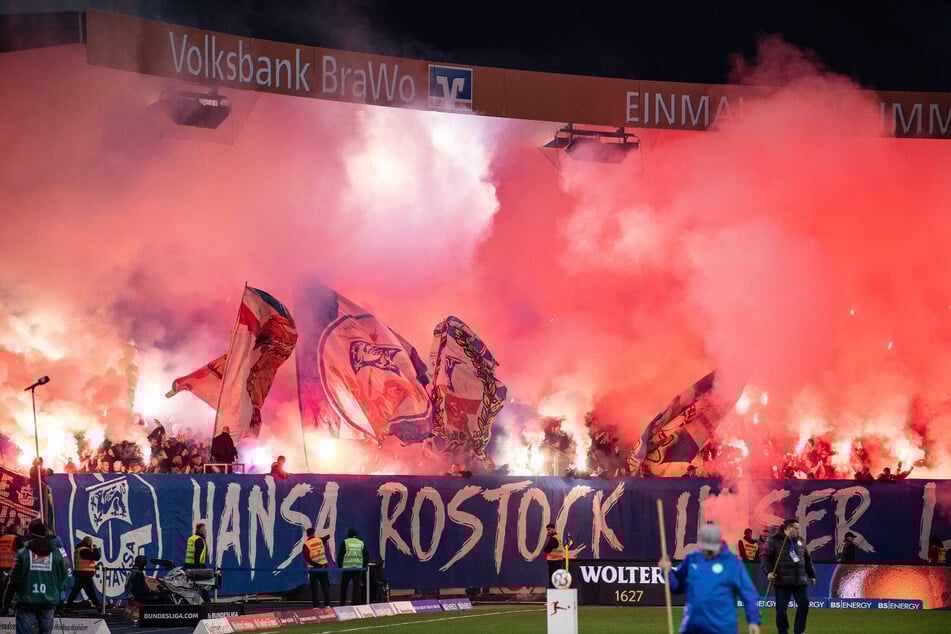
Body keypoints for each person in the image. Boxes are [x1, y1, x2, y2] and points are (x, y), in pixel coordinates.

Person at [658, 523, 761, 634]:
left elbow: (749, 595)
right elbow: (677, 587)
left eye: (712, 549)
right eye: (705, 548)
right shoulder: (692, 559)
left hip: (723, 629)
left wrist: (753, 621)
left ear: (720, 543)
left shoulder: (733, 563)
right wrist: (666, 572)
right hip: (691, 628)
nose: (708, 552)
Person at [1, 519, 68, 634]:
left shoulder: (23, 553)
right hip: (48, 601)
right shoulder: (56, 553)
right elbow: (64, 576)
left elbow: (13, 581)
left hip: (26, 602)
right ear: (45, 533)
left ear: (30, 533)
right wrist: (56, 595)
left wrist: (6, 604)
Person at [761, 519, 815, 634]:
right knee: (781, 609)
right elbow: (765, 557)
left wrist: (812, 574)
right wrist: (769, 572)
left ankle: (799, 631)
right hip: (782, 581)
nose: (797, 530)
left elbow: (807, 559)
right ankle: (783, 631)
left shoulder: (801, 540)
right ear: (788, 528)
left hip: (800, 581)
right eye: (795, 528)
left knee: (804, 605)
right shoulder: (773, 540)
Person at [65, 536, 101, 611]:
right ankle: (98, 606)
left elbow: (85, 561)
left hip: (79, 573)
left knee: (75, 591)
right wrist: (95, 549)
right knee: (90, 591)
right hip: (85, 574)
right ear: (89, 543)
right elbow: (96, 557)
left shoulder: (78, 550)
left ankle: (68, 606)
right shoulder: (85, 550)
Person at [338, 528, 367, 605]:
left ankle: (342, 604)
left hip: (346, 568)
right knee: (356, 587)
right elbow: (366, 556)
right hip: (358, 568)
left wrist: (340, 566)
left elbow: (340, 556)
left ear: (348, 534)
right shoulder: (361, 543)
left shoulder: (345, 542)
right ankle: (355, 603)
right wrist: (363, 566)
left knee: (344, 587)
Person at [303, 528, 331, 608]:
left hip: (313, 569)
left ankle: (316, 606)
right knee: (325, 587)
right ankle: (327, 605)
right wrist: (327, 536)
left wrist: (316, 565)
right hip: (323, 567)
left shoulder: (306, 544)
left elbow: (307, 559)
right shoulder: (319, 540)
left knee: (314, 589)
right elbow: (327, 537)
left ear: (307, 535)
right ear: (314, 533)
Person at [0, 524, 26, 607]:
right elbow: (22, 555)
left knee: (1, 588)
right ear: (17, 530)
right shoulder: (17, 539)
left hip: (1, 567)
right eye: (20, 529)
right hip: (11, 567)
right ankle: (8, 607)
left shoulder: (2, 538)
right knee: (10, 590)